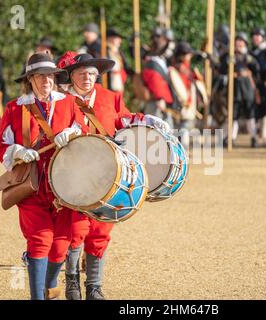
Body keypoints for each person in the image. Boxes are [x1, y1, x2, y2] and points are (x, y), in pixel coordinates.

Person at [56, 51, 170, 300]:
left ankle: (94, 286)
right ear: (71, 76)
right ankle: (72, 280)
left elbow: (126, 120)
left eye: (91, 73)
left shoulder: (111, 97)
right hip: (73, 175)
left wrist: (147, 119)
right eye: (81, 73)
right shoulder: (61, 101)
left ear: (97, 76)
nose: (87, 77)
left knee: (101, 230)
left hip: (108, 175)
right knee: (76, 231)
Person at [0, 53, 88, 300]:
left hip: (64, 187)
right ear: (31, 79)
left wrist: (71, 133)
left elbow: (83, 129)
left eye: (50, 75)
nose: (46, 80)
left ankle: (51, 284)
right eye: (40, 75)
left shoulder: (68, 103)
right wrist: (18, 151)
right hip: (31, 187)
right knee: (40, 240)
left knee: (60, 247)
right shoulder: (16, 107)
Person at [219, 32, 258, 147]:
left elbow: (257, 69)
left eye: (241, 41)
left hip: (247, 87)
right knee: (233, 114)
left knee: (250, 114)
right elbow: (222, 69)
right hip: (234, 87)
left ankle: (253, 137)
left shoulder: (249, 55)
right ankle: (231, 138)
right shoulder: (229, 55)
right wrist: (228, 62)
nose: (239, 43)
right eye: (237, 41)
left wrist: (249, 61)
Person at [141, 27, 178, 128]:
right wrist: (160, 98)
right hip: (156, 102)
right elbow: (155, 81)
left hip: (161, 101)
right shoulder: (152, 62)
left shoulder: (160, 60)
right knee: (156, 133)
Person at [251, 27, 266, 146]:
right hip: (255, 83)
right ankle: (258, 136)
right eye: (254, 35)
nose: (255, 38)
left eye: (258, 35)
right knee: (256, 110)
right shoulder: (252, 52)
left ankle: (265, 135)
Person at [106, 28, 132, 94]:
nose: (120, 41)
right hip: (109, 85)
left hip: (118, 83)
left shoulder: (119, 52)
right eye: (117, 38)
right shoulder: (105, 51)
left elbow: (126, 67)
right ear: (110, 39)